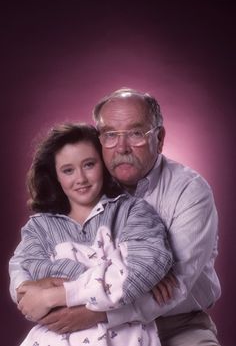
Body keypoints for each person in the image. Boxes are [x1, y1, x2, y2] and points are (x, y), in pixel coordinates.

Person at [10, 87, 221, 346]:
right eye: (110, 135)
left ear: (160, 137)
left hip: (177, 322)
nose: (121, 147)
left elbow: (176, 284)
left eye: (135, 133)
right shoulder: (89, 184)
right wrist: (28, 292)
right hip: (81, 323)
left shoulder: (189, 190)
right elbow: (25, 262)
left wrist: (94, 312)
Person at [10, 122, 173, 346]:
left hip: (126, 338)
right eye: (68, 170)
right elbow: (27, 291)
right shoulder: (38, 228)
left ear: (104, 164)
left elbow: (147, 265)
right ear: (55, 175)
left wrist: (53, 294)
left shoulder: (133, 211)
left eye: (89, 165)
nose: (81, 179)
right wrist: (127, 280)